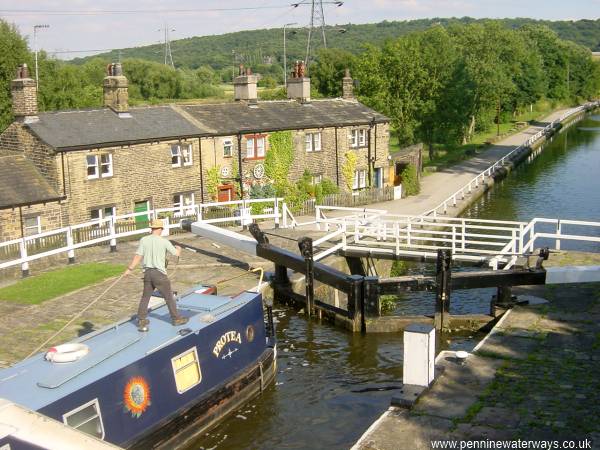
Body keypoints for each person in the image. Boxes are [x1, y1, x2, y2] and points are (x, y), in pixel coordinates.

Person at [125, 219, 189, 332]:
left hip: (148, 273)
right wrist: (179, 248)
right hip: (159, 274)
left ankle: (141, 319)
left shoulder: (144, 240)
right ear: (160, 229)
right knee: (169, 297)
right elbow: (176, 254)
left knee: (145, 297)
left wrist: (129, 269)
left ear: (152, 228)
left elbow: (138, 256)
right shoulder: (164, 242)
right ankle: (176, 319)